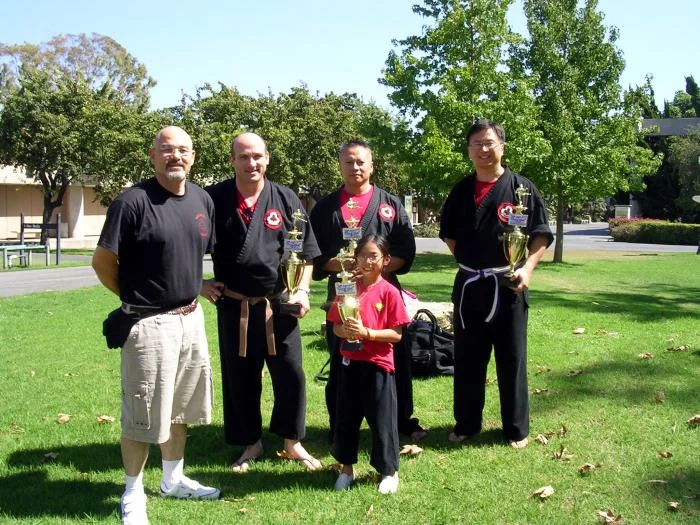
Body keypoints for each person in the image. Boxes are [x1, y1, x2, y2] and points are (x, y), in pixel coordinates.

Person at [92, 126, 220, 525]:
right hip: (149, 326)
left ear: (193, 156)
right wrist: (135, 299)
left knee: (181, 409)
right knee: (143, 412)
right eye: (167, 150)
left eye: (182, 150)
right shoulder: (132, 202)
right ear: (153, 155)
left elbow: (187, 255)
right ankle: (132, 493)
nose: (175, 156)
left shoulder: (202, 200)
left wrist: (191, 286)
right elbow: (102, 262)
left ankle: (173, 479)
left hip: (190, 319)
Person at [201, 132, 322, 473]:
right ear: (232, 161)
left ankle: (291, 441)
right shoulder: (214, 199)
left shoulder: (285, 198)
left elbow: (305, 252)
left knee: (291, 373)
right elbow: (184, 242)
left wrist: (301, 290)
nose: (251, 163)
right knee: (240, 376)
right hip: (234, 306)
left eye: (257, 156)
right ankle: (249, 442)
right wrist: (199, 282)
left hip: (279, 305)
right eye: (243, 156)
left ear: (267, 158)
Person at [439, 120, 553, 449]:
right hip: (470, 286)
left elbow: (541, 234)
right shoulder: (461, 190)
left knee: (511, 358)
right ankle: (467, 423)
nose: (484, 150)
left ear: (502, 146)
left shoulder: (521, 188)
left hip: (509, 285)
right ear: (469, 150)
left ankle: (516, 428)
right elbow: (448, 231)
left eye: (490, 143)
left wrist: (527, 269)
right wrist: (467, 259)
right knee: (468, 358)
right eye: (477, 144)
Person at [309, 139, 423, 441]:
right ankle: (341, 424)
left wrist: (374, 269)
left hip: (384, 295)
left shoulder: (390, 205)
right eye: (349, 161)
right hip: (344, 295)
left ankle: (399, 422)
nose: (355, 167)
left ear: (371, 166)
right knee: (343, 355)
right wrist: (344, 266)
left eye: (361, 162)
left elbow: (406, 252)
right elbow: (315, 257)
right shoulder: (325, 209)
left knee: (392, 356)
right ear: (340, 165)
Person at [327, 234, 411, 494]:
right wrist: (347, 332)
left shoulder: (389, 291)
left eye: (373, 256)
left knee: (382, 421)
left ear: (385, 260)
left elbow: (396, 334)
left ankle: (389, 471)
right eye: (362, 255)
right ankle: (346, 469)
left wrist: (367, 334)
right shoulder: (346, 287)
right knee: (346, 419)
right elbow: (336, 327)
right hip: (349, 363)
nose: (367, 261)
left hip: (378, 365)